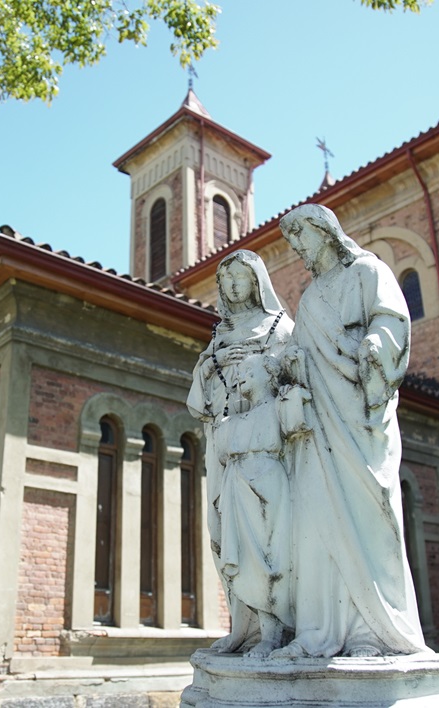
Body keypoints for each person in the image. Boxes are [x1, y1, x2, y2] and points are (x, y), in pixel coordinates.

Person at [270, 204, 430, 659]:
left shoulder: (367, 272)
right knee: (316, 521)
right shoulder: (310, 299)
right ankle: (317, 631)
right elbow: (299, 355)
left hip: (358, 419)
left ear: (326, 231)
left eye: (302, 236)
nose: (298, 248)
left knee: (368, 517)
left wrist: (375, 346)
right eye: (293, 241)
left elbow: (392, 322)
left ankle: (373, 634)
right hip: (318, 429)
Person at [187, 250, 294, 657]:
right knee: (223, 531)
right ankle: (241, 625)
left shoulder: (279, 328)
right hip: (224, 442)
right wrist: (214, 363)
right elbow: (198, 400)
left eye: (240, 276)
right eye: (226, 278)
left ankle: (275, 626)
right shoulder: (218, 335)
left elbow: (294, 379)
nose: (232, 285)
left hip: (266, 443)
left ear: (257, 281)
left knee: (267, 536)